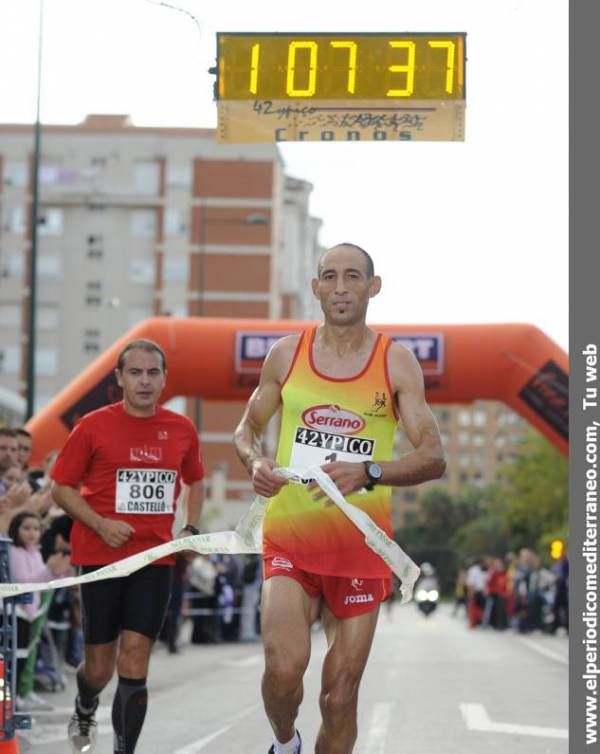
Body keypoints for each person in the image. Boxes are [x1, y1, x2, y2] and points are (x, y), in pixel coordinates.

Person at [233, 243, 445, 754]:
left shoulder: (396, 362)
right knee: (283, 670)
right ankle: (285, 743)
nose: (341, 287)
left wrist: (368, 470)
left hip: (361, 549)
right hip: (291, 539)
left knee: (339, 697)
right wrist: (256, 462)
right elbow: (247, 430)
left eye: (353, 277)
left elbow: (434, 456)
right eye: (330, 276)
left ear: (374, 287)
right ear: (316, 288)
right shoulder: (286, 354)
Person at [51, 338, 205, 754]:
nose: (144, 381)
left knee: (135, 660)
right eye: (135, 372)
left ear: (164, 379)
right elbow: (61, 488)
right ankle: (85, 705)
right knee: (100, 668)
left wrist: (189, 527)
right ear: (119, 378)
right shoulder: (93, 426)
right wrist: (100, 523)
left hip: (154, 560)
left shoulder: (181, 429)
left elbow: (196, 479)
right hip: (101, 560)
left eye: (153, 373)